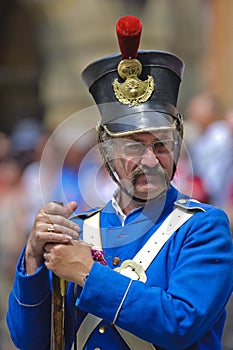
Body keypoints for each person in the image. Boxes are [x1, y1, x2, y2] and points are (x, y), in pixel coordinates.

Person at [6, 16, 233, 350]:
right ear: (105, 152)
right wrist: (33, 259)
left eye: (161, 145)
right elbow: (31, 341)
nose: (150, 161)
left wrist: (88, 274)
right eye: (134, 147)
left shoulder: (203, 228)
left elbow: (180, 323)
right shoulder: (80, 230)